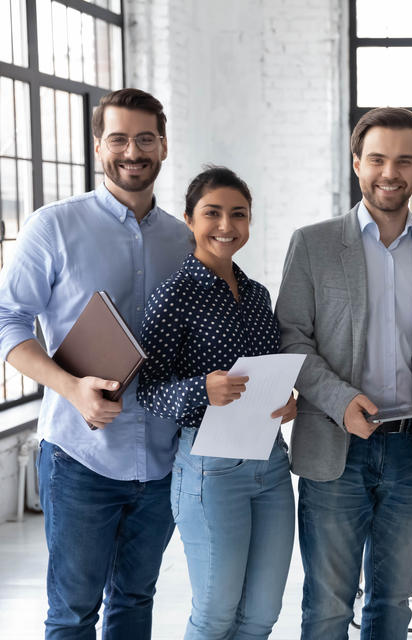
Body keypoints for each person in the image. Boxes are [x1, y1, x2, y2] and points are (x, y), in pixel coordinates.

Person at [0, 89, 192, 639]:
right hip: (80, 457)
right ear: (98, 146)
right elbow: (8, 320)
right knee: (72, 612)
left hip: (161, 459)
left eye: (145, 138)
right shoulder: (54, 226)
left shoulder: (184, 241)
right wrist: (69, 386)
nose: (133, 150)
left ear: (162, 145)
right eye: (119, 139)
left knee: (135, 602)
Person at [275, 106, 412, 640]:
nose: (391, 172)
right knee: (329, 607)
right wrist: (339, 401)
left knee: (394, 605)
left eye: (404, 160)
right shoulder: (312, 244)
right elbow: (291, 338)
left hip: (411, 449)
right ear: (357, 163)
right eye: (378, 159)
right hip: (336, 449)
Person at [136, 166, 297, 639]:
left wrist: (286, 401)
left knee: (262, 615)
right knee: (215, 616)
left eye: (238, 215)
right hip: (209, 468)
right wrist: (200, 390)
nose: (226, 225)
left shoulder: (256, 294)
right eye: (213, 213)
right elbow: (147, 389)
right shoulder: (173, 296)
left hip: (271, 465)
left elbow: (267, 372)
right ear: (189, 219)